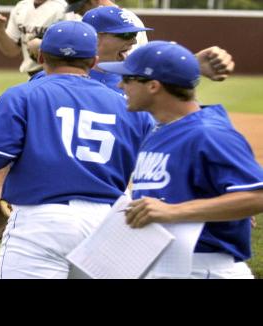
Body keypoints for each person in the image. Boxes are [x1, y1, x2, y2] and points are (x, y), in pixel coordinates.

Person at [0, 6, 235, 209]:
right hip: (48, 202)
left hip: (110, 200)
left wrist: (189, 70)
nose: (133, 41)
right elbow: (16, 137)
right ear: (95, 39)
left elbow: (182, 128)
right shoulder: (46, 81)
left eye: (136, 35)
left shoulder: (135, 82)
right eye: (126, 35)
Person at [0, 21, 155, 278]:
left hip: (42, 221)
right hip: (107, 223)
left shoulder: (22, 95)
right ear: (94, 61)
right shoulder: (128, 106)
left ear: (40, 57)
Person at [99, 41, 263, 278]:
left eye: (128, 79)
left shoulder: (209, 133)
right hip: (167, 266)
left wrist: (173, 211)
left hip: (206, 269)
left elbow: (257, 195)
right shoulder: (158, 132)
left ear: (153, 86)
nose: (120, 84)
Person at [0, 0, 69, 77]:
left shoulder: (64, 8)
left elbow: (71, 48)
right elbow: (12, 51)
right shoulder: (21, 7)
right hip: (31, 75)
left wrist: (43, 47)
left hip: (56, 75)